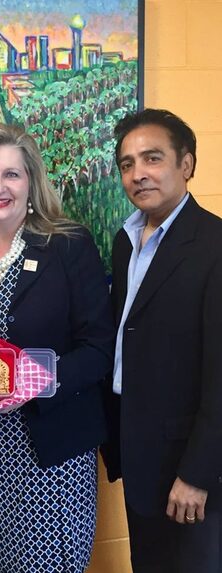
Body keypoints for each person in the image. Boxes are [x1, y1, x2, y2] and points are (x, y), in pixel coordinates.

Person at [0, 123, 114, 573]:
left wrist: (29, 382)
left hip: (52, 453)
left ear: (31, 182)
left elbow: (98, 349)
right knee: (3, 560)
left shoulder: (67, 246)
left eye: (11, 175)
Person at [103, 108, 222, 572]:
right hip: (140, 452)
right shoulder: (125, 241)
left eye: (152, 158)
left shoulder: (213, 246)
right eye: (127, 164)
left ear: (186, 164)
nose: (138, 174)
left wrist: (197, 473)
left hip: (189, 464)